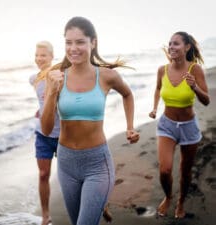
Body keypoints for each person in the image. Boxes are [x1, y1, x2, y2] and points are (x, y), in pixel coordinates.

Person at [41, 17, 140, 225]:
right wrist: (51, 92)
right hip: (66, 163)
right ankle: (99, 204)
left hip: (97, 163)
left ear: (92, 42)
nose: (73, 48)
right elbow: (47, 128)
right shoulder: (57, 77)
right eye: (68, 42)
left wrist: (129, 127)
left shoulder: (106, 76)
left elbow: (127, 95)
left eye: (79, 42)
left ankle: (98, 200)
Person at [149, 31, 210, 219]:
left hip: (188, 127)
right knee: (164, 169)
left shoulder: (195, 70)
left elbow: (206, 100)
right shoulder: (162, 70)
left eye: (176, 43)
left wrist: (194, 88)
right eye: (170, 43)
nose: (171, 47)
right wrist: (154, 107)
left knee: (185, 171)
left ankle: (181, 201)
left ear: (187, 47)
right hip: (167, 124)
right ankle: (168, 197)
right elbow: (159, 88)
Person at [29, 41, 60, 225]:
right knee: (43, 175)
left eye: (43, 55)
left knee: (69, 176)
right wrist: (39, 110)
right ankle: (45, 215)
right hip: (43, 135)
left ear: (51, 56)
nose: (39, 59)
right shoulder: (33, 79)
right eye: (37, 55)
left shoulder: (59, 75)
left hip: (63, 135)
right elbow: (43, 101)